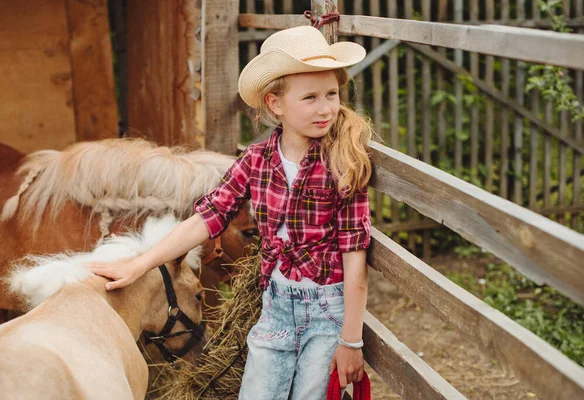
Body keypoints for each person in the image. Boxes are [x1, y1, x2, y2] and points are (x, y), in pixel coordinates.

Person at [89, 25, 373, 400]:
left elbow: (355, 257)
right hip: (276, 305)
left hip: (327, 311)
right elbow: (206, 218)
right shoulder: (256, 160)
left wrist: (350, 340)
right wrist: (139, 264)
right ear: (275, 103)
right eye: (310, 98)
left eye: (332, 94)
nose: (325, 108)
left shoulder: (343, 161)